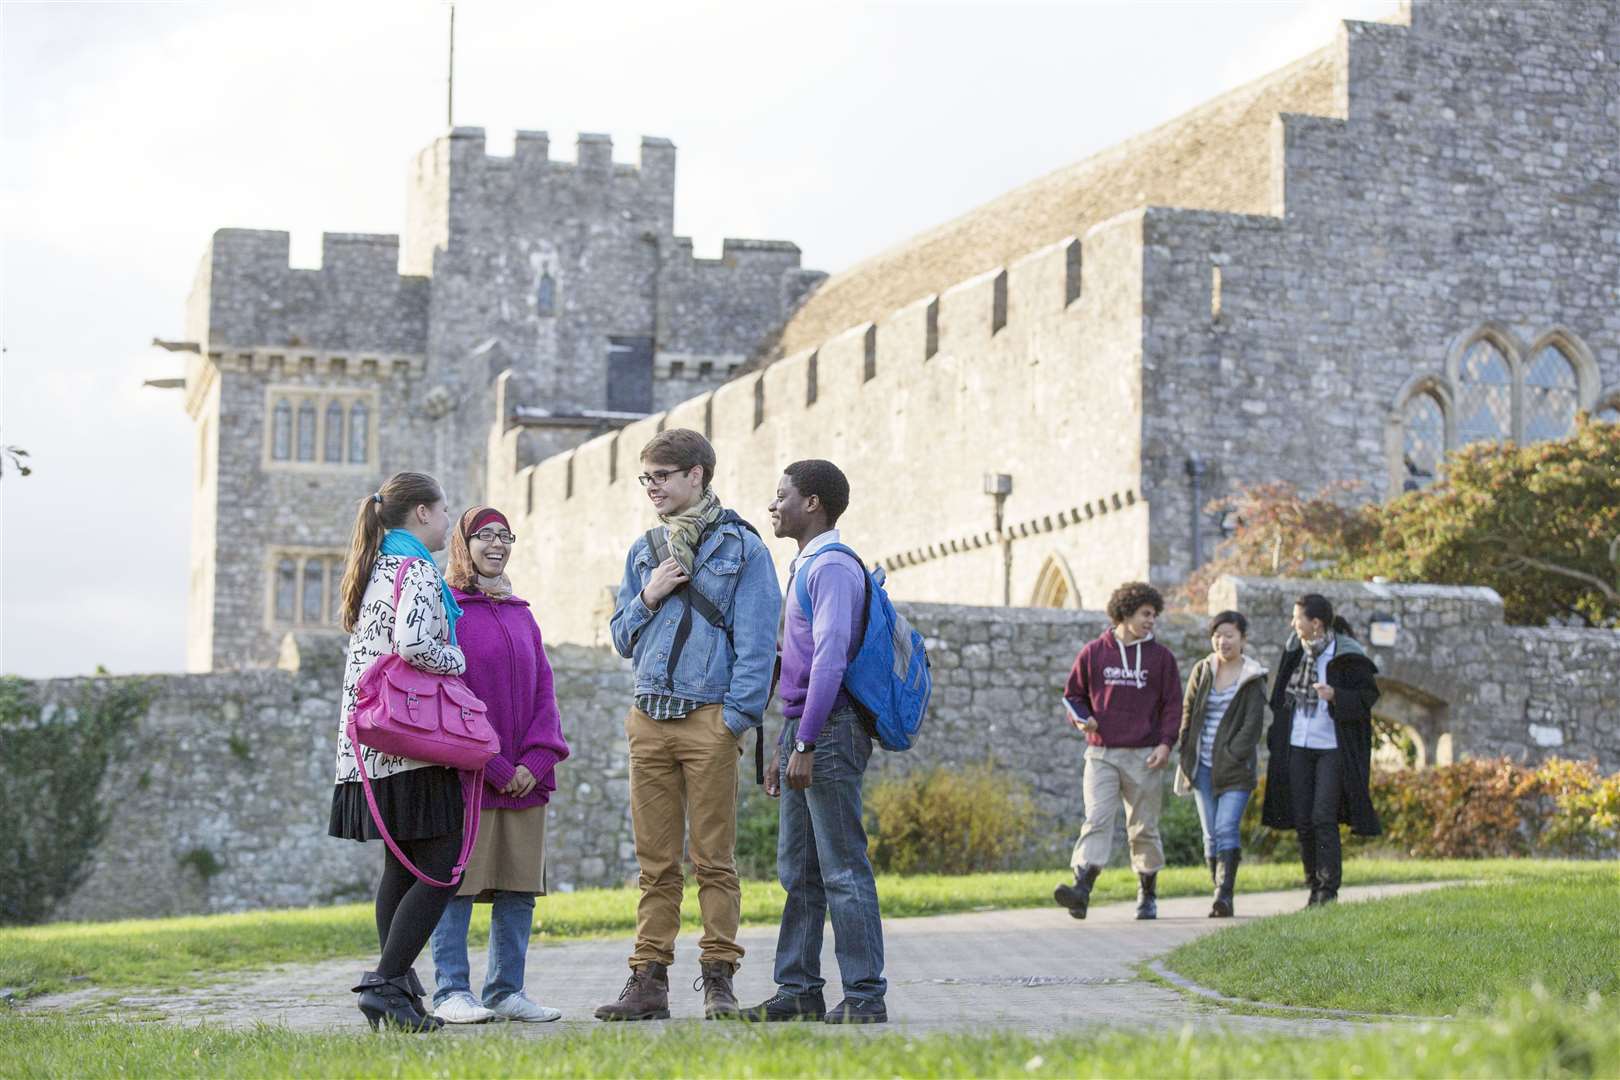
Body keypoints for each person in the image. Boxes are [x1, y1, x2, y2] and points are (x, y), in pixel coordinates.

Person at [595, 429, 780, 1022]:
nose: (652, 487)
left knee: (714, 861)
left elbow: (757, 647)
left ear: (697, 475)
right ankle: (647, 982)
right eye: (646, 477)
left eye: (663, 476)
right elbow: (621, 638)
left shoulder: (743, 548)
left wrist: (733, 722)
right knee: (655, 864)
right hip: (648, 718)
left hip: (708, 721)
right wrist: (647, 595)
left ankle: (719, 979)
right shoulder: (644, 549)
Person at [743, 460, 887, 1026]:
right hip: (807, 732)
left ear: (813, 503)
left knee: (843, 867)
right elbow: (801, 674)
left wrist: (803, 743)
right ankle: (798, 989)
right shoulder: (806, 565)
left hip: (829, 733)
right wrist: (786, 745)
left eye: (782, 496)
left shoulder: (830, 567)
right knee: (798, 870)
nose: (773, 505)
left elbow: (829, 659)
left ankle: (865, 995)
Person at [328, 471, 465, 1033]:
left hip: (367, 743)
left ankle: (401, 994)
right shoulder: (417, 571)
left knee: (401, 867)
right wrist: (457, 662)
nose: (450, 521)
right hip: (412, 741)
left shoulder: (372, 567)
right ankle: (386, 982)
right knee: (444, 865)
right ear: (424, 514)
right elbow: (413, 644)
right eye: (445, 510)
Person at [428, 507, 571, 1024]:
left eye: (503, 536)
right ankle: (450, 992)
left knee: (518, 885)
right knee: (459, 885)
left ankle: (506, 990)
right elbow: (448, 694)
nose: (496, 544)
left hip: (525, 778)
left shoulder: (521, 614)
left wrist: (535, 758)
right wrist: (492, 764)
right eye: (483, 535)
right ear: (464, 544)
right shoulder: (448, 611)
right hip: (473, 775)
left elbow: (544, 692)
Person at [1053, 582, 1181, 921]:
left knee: (1143, 828)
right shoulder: (1095, 652)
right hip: (1102, 754)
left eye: (1154, 615)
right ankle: (1081, 890)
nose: (1151, 620)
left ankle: (1147, 894)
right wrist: (1082, 720)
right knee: (1096, 819)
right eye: (1146, 614)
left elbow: (1172, 705)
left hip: (1145, 755)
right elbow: (1073, 696)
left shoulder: (1162, 658)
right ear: (1125, 612)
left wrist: (1167, 743)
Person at [1261, 593, 1383, 906]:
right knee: (1302, 818)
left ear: (1315, 623)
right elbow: (1280, 699)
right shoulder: (1294, 651)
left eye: (1297, 618)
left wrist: (1335, 696)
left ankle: (1329, 890)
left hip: (1332, 748)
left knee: (1322, 816)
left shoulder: (1345, 654)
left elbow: (1367, 697)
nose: (1293, 623)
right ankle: (1313, 886)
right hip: (1298, 745)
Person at [1175, 610, 1267, 918]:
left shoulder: (1252, 677)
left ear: (1242, 638)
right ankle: (1218, 890)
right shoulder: (1203, 670)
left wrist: (1230, 754)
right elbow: (1188, 711)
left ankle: (1224, 895)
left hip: (1235, 768)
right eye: (1217, 635)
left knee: (1227, 827)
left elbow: (1253, 726)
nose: (1222, 641)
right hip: (1201, 766)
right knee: (1211, 833)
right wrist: (1186, 750)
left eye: (1229, 635)